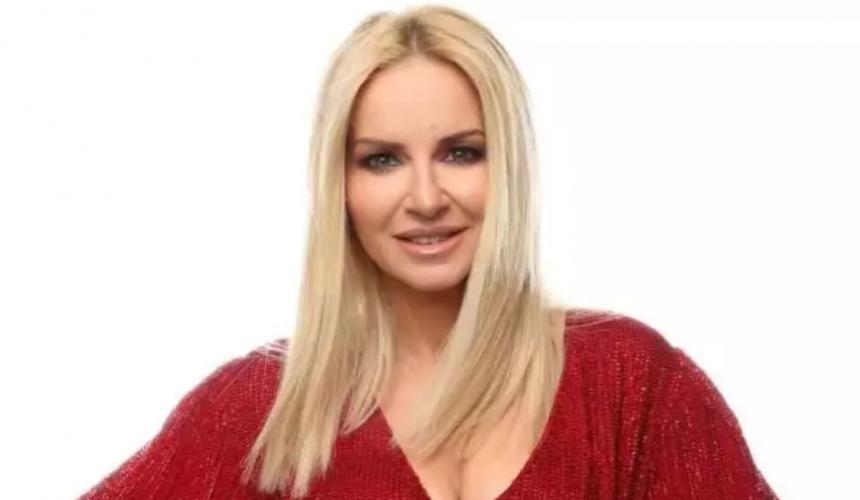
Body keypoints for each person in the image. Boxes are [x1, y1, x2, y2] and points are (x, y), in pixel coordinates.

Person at [80, 5, 778, 499]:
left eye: (461, 153)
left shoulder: (632, 383)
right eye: (382, 159)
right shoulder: (260, 408)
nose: (425, 197)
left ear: (509, 167)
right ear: (340, 185)